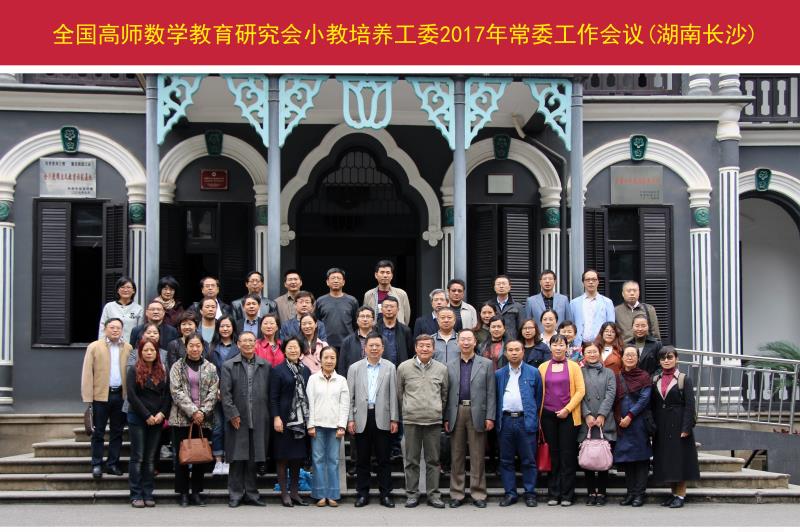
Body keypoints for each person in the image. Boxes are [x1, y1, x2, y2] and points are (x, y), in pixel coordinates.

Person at [444, 329, 496, 508]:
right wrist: (446, 417)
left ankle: (478, 493)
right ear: (458, 342)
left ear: (475, 342)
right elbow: (446, 393)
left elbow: (491, 392)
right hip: (456, 411)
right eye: (462, 340)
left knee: (477, 455)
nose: (465, 343)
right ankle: (457, 494)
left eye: (469, 340)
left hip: (478, 412)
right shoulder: (449, 365)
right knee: (456, 455)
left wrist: (490, 416)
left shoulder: (486, 364)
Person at [347, 333, 399, 508]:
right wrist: (350, 419)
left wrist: (394, 418)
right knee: (362, 459)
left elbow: (394, 395)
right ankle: (362, 494)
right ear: (365, 348)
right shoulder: (354, 368)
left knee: (384, 459)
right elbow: (350, 396)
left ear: (383, 348)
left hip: (383, 416)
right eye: (371, 345)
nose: (374, 348)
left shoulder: (390, 367)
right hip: (361, 417)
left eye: (378, 345)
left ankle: (386, 494)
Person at [396, 335, 449, 509]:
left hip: (433, 421)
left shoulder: (441, 369)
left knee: (433, 460)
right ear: (415, 348)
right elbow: (400, 393)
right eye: (421, 346)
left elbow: (444, 394)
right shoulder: (404, 367)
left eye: (428, 346)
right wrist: (407, 409)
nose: (425, 349)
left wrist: (437, 410)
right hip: (411, 420)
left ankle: (433, 495)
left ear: (433, 349)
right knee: (411, 460)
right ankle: (412, 494)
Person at [220, 331, 271, 507]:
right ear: (238, 344)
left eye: (251, 340)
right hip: (238, 418)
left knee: (253, 458)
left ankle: (251, 493)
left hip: (259, 417)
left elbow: (269, 393)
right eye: (244, 341)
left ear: (256, 344)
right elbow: (225, 394)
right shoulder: (228, 365)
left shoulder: (265, 365)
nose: (248, 344)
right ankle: (235, 494)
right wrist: (232, 414)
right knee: (237, 458)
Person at [168, 332, 219, 507]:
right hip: (181, 418)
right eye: (191, 345)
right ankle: (183, 493)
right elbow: (176, 391)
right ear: (186, 347)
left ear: (203, 347)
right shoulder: (177, 366)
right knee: (181, 457)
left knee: (199, 456)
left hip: (203, 419)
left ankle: (196, 492)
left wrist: (202, 412)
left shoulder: (210, 367)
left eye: (198, 345)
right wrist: (193, 411)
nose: (195, 349)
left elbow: (213, 391)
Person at [538, 334, 586, 507]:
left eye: (561, 345)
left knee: (567, 455)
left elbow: (580, 390)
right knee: (553, 455)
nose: (558, 348)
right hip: (548, 416)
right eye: (555, 345)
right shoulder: (543, 367)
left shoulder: (574, 366)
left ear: (567, 347)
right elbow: (539, 390)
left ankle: (567, 494)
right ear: (550, 347)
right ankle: (553, 493)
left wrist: (567, 409)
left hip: (568, 416)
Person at [82, 318, 133, 479]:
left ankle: (112, 463)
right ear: (105, 329)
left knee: (117, 432)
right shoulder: (94, 347)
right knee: (98, 432)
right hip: (100, 395)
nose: (115, 330)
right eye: (112, 327)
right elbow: (87, 373)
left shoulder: (128, 348)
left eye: (118, 328)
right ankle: (96, 464)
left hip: (121, 395)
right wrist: (88, 396)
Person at [495, 339, 543, 508]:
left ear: (523, 352)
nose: (514, 353)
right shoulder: (499, 374)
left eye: (517, 350)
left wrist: (532, 417)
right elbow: (496, 397)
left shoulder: (534, 372)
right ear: (506, 353)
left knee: (529, 459)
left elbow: (538, 398)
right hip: (505, 421)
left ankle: (530, 493)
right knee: (506, 460)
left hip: (525, 420)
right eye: (510, 350)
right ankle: (510, 493)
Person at [651, 346, 700, 508]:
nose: (666, 361)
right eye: (663, 358)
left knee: (680, 460)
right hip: (662, 424)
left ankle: (681, 495)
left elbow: (690, 406)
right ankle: (673, 494)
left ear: (676, 359)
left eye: (670, 357)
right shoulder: (655, 379)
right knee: (667, 460)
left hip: (678, 424)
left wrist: (686, 427)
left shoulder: (684, 379)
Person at [126, 339, 170, 508]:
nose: (149, 353)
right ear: (140, 352)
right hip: (138, 418)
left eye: (152, 350)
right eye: (146, 350)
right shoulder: (134, 370)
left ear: (157, 352)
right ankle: (136, 494)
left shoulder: (162, 370)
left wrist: (162, 413)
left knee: (151, 458)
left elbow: (167, 395)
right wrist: (146, 415)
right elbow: (132, 396)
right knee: (138, 457)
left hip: (157, 419)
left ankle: (148, 492)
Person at [270, 336, 312, 507]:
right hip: (283, 419)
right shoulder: (278, 370)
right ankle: (284, 494)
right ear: (284, 350)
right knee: (282, 458)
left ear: (301, 350)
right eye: (290, 347)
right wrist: (276, 417)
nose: (293, 350)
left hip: (300, 422)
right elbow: (273, 397)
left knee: (297, 458)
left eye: (296, 347)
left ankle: (295, 493)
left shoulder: (305, 370)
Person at [306, 345, 349, 507]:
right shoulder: (313, 379)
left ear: (336, 360)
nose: (329, 361)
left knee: (333, 460)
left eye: (332, 358)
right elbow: (309, 403)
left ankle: (332, 494)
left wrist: (342, 425)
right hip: (317, 425)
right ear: (320, 359)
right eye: (326, 357)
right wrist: (310, 425)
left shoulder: (341, 380)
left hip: (335, 426)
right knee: (317, 460)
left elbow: (344, 405)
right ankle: (319, 494)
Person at [613, 345, 653, 508]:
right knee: (627, 459)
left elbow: (644, 399)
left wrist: (630, 415)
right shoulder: (617, 376)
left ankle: (639, 494)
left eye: (633, 355)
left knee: (641, 459)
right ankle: (630, 493)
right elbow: (613, 398)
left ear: (638, 358)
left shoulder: (644, 376)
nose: (630, 358)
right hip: (621, 423)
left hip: (638, 423)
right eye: (627, 355)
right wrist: (619, 418)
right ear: (622, 358)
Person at [578, 342, 617, 506]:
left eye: (595, 352)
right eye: (589, 352)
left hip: (604, 420)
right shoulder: (579, 372)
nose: (592, 355)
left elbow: (611, 393)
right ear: (584, 354)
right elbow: (577, 394)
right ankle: (590, 492)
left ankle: (601, 492)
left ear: (599, 353)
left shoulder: (609, 373)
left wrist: (602, 414)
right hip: (586, 420)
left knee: (602, 458)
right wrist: (586, 414)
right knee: (588, 458)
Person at [208, 314, 239, 476]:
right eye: (222, 326)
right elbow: (208, 372)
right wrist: (217, 390)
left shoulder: (238, 347)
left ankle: (228, 459)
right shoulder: (211, 348)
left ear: (233, 328)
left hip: (234, 395)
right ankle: (218, 460)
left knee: (231, 428)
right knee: (218, 427)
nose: (225, 329)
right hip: (216, 394)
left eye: (228, 326)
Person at [315, 267, 359, 350]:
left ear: (343, 282)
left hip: (348, 344)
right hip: (326, 344)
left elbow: (356, 323)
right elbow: (317, 323)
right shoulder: (320, 301)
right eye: (333, 278)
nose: (336, 281)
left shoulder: (352, 301)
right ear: (327, 282)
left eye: (338, 278)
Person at [570, 269, 616, 343]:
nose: (591, 282)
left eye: (594, 279)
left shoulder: (607, 302)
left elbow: (611, 325)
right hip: (579, 344)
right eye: (587, 280)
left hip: (601, 344)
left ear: (598, 282)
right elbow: (571, 325)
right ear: (583, 282)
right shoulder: (574, 303)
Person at [363, 259, 412, 325]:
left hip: (396, 330)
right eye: (382, 272)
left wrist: (401, 329)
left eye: (388, 272)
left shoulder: (401, 294)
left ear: (392, 276)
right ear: (376, 275)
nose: (385, 275)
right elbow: (365, 315)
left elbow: (406, 317)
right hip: (375, 330)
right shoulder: (369, 295)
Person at [97, 276, 143, 344]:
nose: (125, 290)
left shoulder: (138, 309)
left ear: (133, 291)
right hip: (110, 345)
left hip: (130, 346)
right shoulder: (109, 307)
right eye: (122, 287)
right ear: (117, 290)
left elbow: (140, 331)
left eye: (128, 287)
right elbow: (102, 328)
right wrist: (101, 344)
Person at [374, 296, 413, 368]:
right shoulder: (374, 329)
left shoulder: (405, 330)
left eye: (392, 307)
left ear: (398, 309)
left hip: (400, 369)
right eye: (386, 306)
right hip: (378, 368)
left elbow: (410, 353)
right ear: (381, 309)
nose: (389, 309)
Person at [339, 306, 376, 378]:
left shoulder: (381, 340)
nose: (365, 319)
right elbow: (342, 367)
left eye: (368, 316)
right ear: (357, 320)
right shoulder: (347, 341)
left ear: (373, 320)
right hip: (354, 379)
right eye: (362, 316)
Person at [489, 275, 525, 340]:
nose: (501, 286)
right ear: (494, 288)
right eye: (498, 284)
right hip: (493, 341)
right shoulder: (489, 306)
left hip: (512, 342)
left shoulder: (518, 306)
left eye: (504, 284)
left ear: (509, 287)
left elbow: (521, 327)